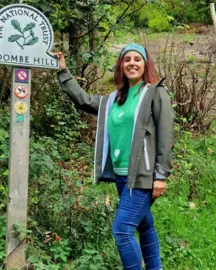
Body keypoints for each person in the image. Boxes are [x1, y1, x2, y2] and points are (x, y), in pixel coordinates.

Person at [55, 43, 174, 270]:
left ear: (145, 64)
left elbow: (166, 136)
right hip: (122, 176)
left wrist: (161, 175)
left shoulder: (155, 93)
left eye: (137, 59)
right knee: (145, 226)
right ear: (120, 65)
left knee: (122, 230)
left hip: (143, 175)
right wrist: (63, 71)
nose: (132, 63)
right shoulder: (114, 99)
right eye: (126, 59)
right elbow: (83, 100)